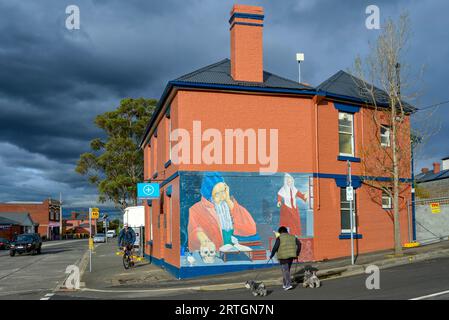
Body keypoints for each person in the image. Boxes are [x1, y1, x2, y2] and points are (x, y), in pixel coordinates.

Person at [188, 173, 257, 256]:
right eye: (217, 194)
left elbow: (251, 229)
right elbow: (195, 233)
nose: (223, 196)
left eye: (224, 191)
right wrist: (204, 239)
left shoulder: (230, 205)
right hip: (215, 256)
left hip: (235, 254)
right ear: (209, 196)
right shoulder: (196, 210)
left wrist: (229, 201)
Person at [270, 226, 302, 291]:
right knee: (286, 270)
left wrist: (272, 255)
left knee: (285, 270)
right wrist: (297, 253)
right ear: (286, 231)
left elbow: (275, 247)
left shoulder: (280, 238)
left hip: (283, 257)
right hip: (291, 256)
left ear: (280, 232)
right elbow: (299, 244)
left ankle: (288, 285)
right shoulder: (293, 237)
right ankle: (285, 284)